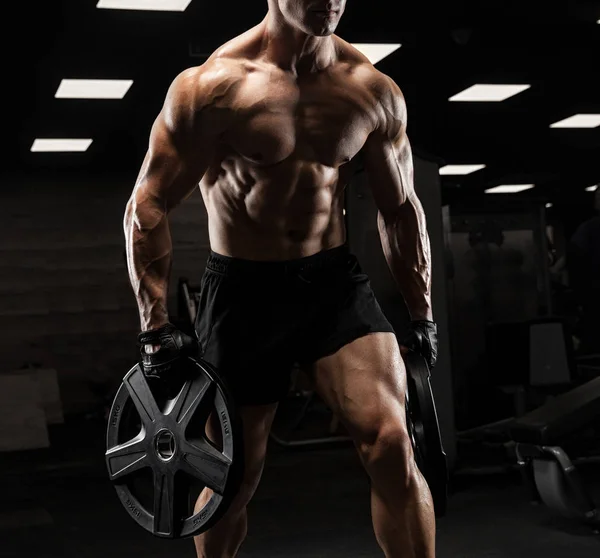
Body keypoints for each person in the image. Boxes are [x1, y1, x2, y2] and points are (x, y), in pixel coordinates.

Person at [124, 1, 438, 556]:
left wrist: (422, 314)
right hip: (243, 292)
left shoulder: (371, 88)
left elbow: (400, 209)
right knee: (233, 477)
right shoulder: (212, 86)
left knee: (392, 442)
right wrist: (155, 326)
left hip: (332, 282)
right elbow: (147, 205)